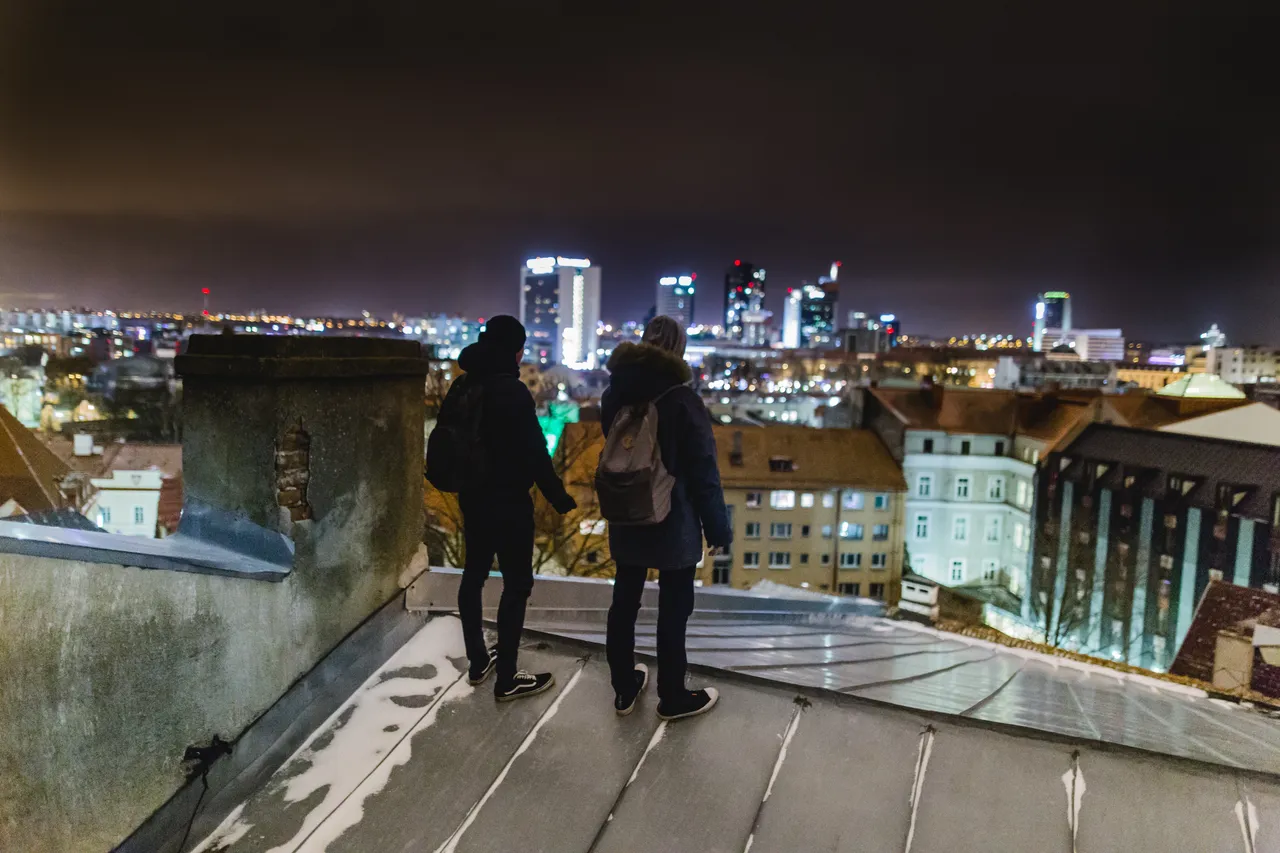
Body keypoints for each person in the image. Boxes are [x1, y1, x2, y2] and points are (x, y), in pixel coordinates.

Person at [601, 315, 732, 720]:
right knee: (674, 608)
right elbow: (703, 470)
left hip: (628, 509)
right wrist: (717, 526)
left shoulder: (613, 393)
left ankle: (625, 688)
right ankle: (672, 696)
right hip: (673, 517)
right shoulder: (682, 400)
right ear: (679, 348)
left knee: (624, 600)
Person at [450, 315, 577, 701]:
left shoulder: (462, 385)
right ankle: (507, 676)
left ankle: (478, 661)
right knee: (516, 584)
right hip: (508, 501)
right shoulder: (512, 391)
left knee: (473, 575)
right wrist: (559, 497)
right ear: (516, 350)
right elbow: (535, 452)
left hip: (471, 497)